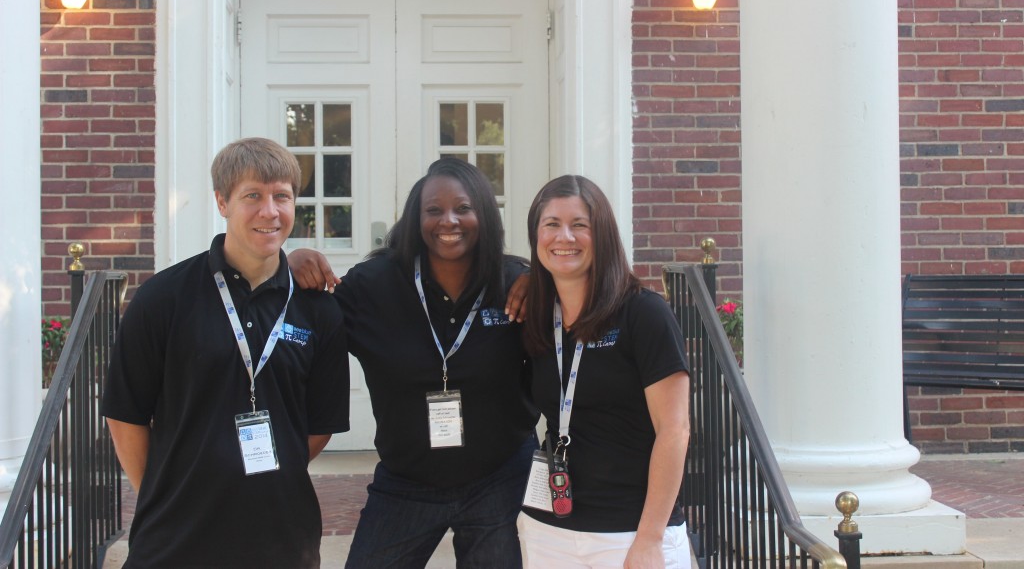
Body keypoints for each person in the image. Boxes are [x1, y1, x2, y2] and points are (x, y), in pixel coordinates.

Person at [102, 137, 350, 568]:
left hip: (282, 537)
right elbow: (125, 415)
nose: (269, 211)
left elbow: (318, 425)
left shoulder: (318, 309)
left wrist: (257, 470)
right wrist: (165, 489)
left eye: (282, 197)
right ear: (222, 201)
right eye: (252, 195)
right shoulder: (164, 297)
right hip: (175, 538)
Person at [289, 157, 539, 568]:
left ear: (484, 215)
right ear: (415, 218)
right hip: (408, 479)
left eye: (463, 208)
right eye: (434, 210)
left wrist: (543, 278)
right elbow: (302, 325)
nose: (449, 221)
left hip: (500, 476)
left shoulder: (514, 285)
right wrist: (289, 264)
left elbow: (582, 302)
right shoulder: (373, 286)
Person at [518, 175, 691, 569]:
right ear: (536, 236)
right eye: (551, 224)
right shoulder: (537, 318)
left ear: (604, 235)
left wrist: (649, 540)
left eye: (580, 225)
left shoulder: (644, 314)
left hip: (629, 533)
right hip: (549, 531)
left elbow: (674, 430)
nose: (565, 237)